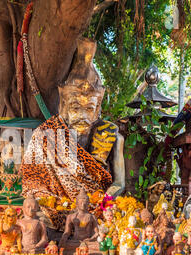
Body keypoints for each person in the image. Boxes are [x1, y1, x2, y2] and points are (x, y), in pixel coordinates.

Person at [20, 38, 125, 231]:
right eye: (76, 107)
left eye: (89, 108)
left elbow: (119, 182)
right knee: (39, 218)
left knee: (114, 219)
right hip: (56, 205)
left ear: (97, 109)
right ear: (64, 105)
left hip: (95, 205)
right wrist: (48, 201)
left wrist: (104, 200)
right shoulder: (46, 135)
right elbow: (33, 183)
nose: (83, 115)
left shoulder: (112, 136)